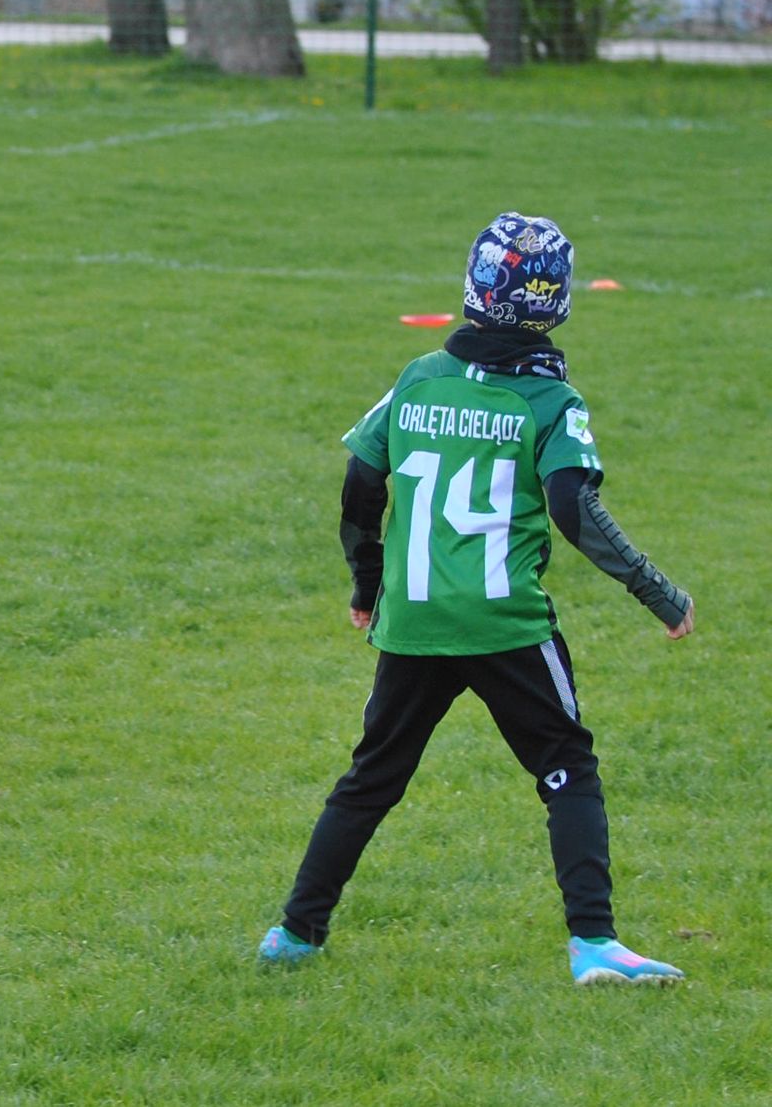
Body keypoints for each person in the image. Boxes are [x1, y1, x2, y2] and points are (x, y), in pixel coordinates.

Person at [258, 213, 696, 985]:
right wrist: (657, 591)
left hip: (416, 616)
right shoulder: (552, 401)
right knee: (566, 763)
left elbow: (362, 482)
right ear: (555, 300)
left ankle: (296, 931)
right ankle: (594, 943)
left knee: (372, 777)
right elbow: (572, 508)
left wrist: (368, 585)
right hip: (502, 619)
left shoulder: (420, 374)